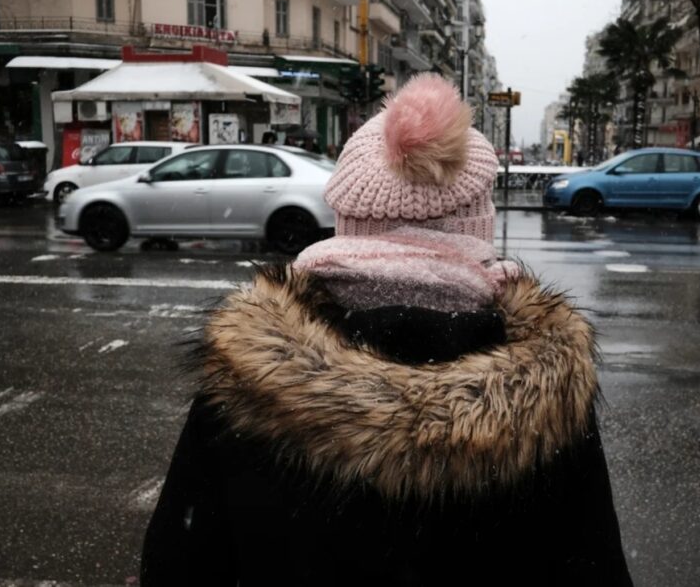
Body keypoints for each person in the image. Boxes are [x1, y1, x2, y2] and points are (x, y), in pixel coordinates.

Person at [140, 74, 633, 586]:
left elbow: (177, 565)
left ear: (347, 221)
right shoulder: (548, 397)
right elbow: (595, 569)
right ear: (474, 227)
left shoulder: (246, 380)